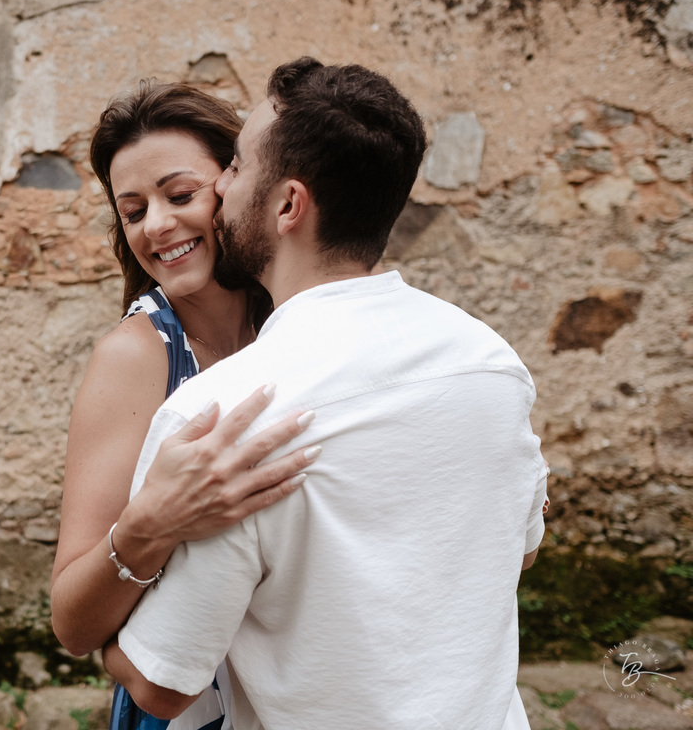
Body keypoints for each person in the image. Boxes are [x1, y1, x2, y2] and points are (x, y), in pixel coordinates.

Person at [102, 58, 549, 729]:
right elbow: (521, 551)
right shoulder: (490, 362)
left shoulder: (225, 414)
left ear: (288, 204)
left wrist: (105, 636)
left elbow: (162, 685)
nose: (222, 186)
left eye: (239, 166)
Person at [50, 83, 320, 730]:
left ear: (240, 185)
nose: (158, 226)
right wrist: (153, 524)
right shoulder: (136, 357)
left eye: (180, 195)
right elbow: (71, 620)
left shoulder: (303, 325)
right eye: (134, 211)